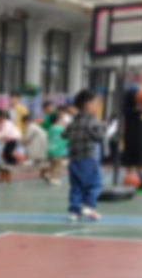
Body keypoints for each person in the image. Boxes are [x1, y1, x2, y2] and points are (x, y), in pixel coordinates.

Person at [64, 89, 107, 222]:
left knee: (76, 187)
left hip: (73, 159)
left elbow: (64, 134)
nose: (98, 106)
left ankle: (73, 211)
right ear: (88, 104)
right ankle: (89, 207)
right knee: (95, 184)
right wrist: (105, 129)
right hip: (88, 158)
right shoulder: (92, 121)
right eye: (96, 103)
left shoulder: (73, 122)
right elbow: (99, 137)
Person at [122, 78, 142, 190]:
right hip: (132, 130)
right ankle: (129, 179)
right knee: (130, 155)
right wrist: (138, 108)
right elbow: (125, 111)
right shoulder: (129, 95)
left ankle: (141, 179)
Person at [0, 109, 22, 183]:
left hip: (14, 139)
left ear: (3, 117)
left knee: (8, 154)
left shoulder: (8, 124)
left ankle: (15, 161)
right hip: (7, 141)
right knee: (5, 155)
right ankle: (6, 173)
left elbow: (3, 133)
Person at [40, 103, 67, 185]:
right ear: (58, 120)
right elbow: (64, 138)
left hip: (50, 150)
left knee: (52, 165)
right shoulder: (60, 128)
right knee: (57, 165)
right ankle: (53, 178)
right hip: (57, 151)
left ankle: (48, 174)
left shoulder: (50, 129)